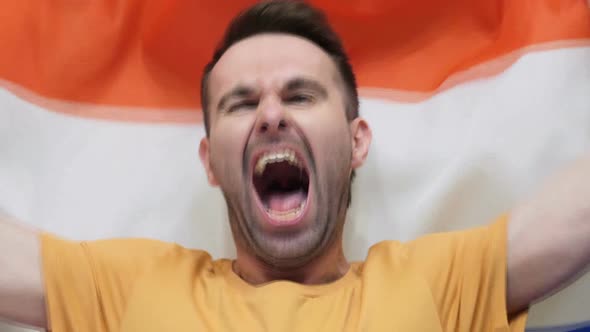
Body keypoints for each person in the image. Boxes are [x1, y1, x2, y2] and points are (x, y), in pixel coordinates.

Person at [1, 1, 589, 331]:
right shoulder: (133, 287)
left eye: (301, 95)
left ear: (358, 142)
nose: (271, 116)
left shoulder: (436, 282)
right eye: (241, 103)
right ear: (210, 162)